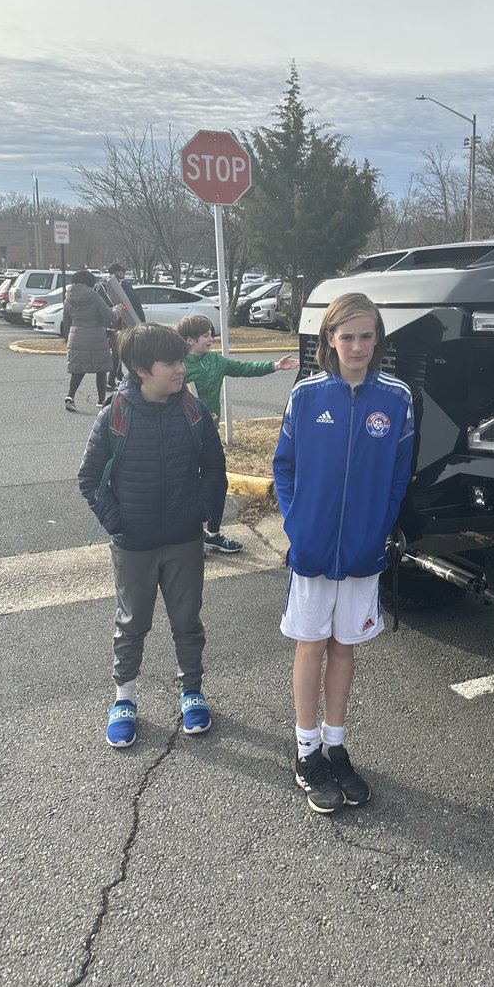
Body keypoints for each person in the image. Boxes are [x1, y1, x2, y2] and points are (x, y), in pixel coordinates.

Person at [272, 293, 414, 814]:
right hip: (311, 550)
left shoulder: (397, 398)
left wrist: (379, 527)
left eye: (366, 335)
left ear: (377, 340)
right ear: (329, 339)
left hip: (361, 551)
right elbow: (283, 467)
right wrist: (298, 524)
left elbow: (399, 475)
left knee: (344, 647)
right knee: (311, 645)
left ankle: (335, 744)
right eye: (347, 335)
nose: (357, 345)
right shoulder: (307, 396)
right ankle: (306, 751)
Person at [77, 323, 227, 749]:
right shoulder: (114, 416)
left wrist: (202, 513)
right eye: (171, 362)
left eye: (182, 360)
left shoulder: (192, 411)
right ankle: (124, 698)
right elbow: (89, 478)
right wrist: (117, 522)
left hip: (184, 540)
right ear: (141, 369)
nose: (181, 369)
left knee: (186, 621)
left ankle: (192, 690)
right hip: (133, 544)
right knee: (132, 623)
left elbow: (214, 467)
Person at [175, 313, 298, 555]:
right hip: (183, 437)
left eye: (211, 334)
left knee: (217, 482)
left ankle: (213, 534)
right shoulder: (177, 365)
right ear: (189, 340)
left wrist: (275, 366)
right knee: (187, 486)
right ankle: (190, 537)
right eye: (205, 335)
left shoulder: (215, 361)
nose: (211, 338)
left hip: (210, 435)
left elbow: (244, 368)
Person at [63, 270, 123, 411]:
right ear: (89, 282)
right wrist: (118, 309)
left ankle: (70, 396)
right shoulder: (94, 297)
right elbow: (110, 316)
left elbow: (67, 319)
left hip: (76, 334)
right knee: (101, 369)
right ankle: (101, 400)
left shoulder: (68, 298)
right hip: (96, 334)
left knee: (78, 369)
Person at [102, 263, 145, 391]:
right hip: (123, 323)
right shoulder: (123, 286)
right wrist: (141, 320)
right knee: (119, 352)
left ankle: (117, 376)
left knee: (117, 351)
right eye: (122, 272)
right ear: (117, 272)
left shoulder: (104, 286)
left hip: (111, 323)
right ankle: (111, 381)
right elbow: (135, 304)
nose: (124, 274)